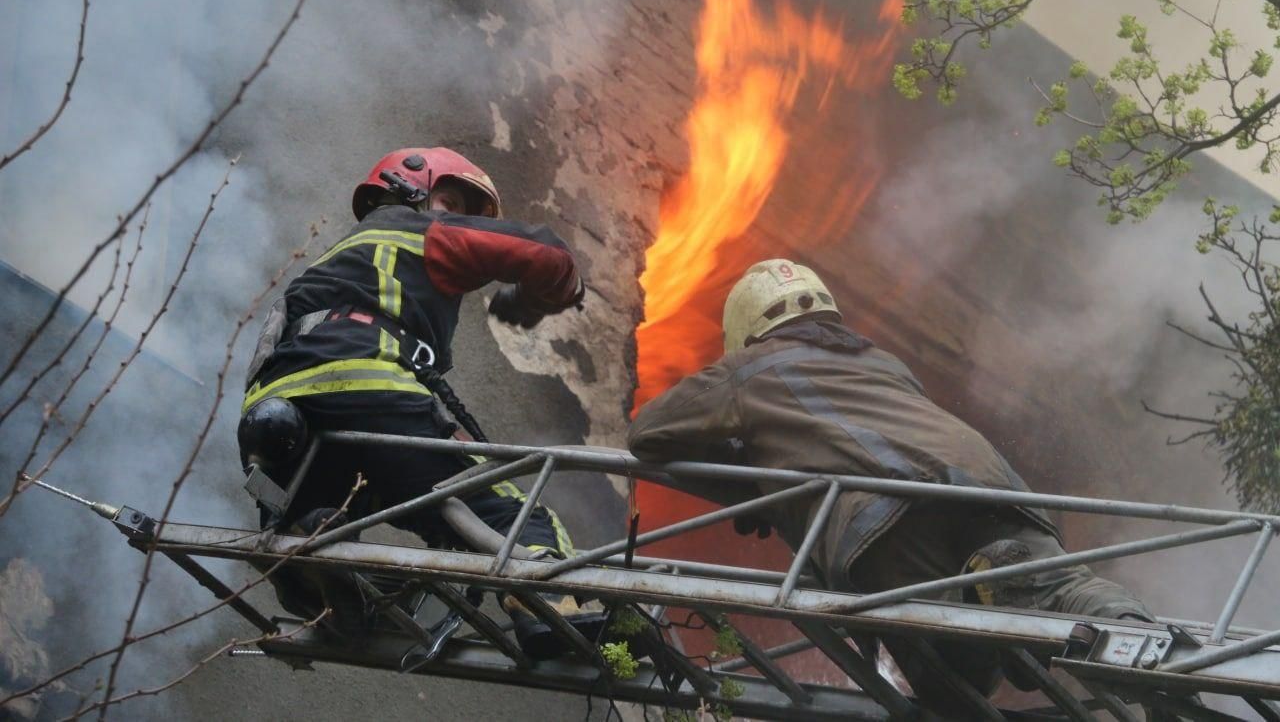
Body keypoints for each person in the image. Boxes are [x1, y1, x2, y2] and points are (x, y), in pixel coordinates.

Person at [627, 258, 1154, 703]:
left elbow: (648, 435)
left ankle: (993, 618)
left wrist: (753, 475)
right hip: (994, 488)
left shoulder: (751, 367)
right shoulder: (882, 361)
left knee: (952, 689)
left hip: (887, 514)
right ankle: (1143, 643)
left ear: (744, 330)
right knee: (1066, 589)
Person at [238, 146, 601, 657]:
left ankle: (316, 564)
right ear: (413, 192)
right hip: (365, 385)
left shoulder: (330, 266)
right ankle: (555, 603)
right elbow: (549, 254)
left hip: (277, 423)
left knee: (348, 514)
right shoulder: (422, 232)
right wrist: (541, 296)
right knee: (505, 511)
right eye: (450, 202)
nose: (458, 221)